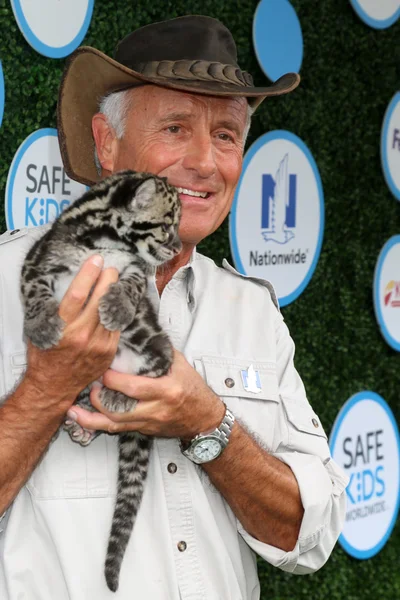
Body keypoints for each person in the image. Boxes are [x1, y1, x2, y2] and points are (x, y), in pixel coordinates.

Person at [0, 15, 348, 600]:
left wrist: (210, 424)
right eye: (175, 128)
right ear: (106, 143)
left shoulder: (252, 310)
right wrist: (46, 389)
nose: (206, 163)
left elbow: (307, 535)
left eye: (226, 136)